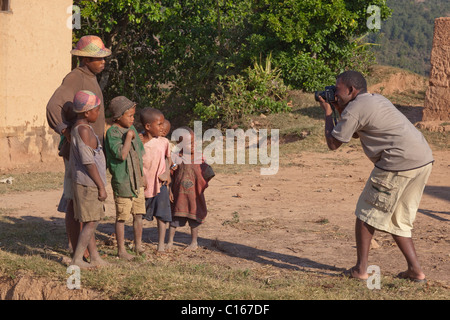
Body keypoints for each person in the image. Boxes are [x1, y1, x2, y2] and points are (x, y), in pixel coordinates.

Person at [317, 70, 434, 283]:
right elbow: (352, 131)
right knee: (399, 220)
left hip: (397, 163)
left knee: (365, 214)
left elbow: (333, 143)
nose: (335, 91)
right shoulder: (376, 99)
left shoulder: (354, 109)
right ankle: (416, 272)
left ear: (351, 90)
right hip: (422, 160)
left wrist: (327, 112)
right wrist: (338, 108)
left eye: (338, 88)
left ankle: (361, 270)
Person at [46, 35, 111, 258]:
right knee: (76, 201)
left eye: (103, 58)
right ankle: (77, 249)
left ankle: (85, 250)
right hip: (80, 154)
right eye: (97, 58)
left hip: (89, 152)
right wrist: (66, 131)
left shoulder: (90, 77)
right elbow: (53, 106)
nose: (102, 62)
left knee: (82, 201)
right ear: (84, 60)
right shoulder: (75, 77)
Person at [69, 90, 109, 269]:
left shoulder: (82, 128)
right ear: (87, 112)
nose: (98, 113)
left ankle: (94, 257)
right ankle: (77, 259)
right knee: (91, 222)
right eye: (96, 110)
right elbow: (88, 162)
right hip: (88, 183)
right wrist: (101, 185)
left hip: (87, 182)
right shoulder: (83, 130)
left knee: (90, 220)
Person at [105, 96, 146, 260]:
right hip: (123, 181)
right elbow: (122, 155)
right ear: (117, 117)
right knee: (122, 217)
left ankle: (138, 245)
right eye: (129, 116)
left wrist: (144, 177)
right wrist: (128, 137)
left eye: (133, 115)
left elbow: (139, 154)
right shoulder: (112, 133)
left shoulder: (132, 129)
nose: (132, 119)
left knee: (138, 215)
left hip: (137, 180)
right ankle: (121, 250)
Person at [167, 127, 214, 251]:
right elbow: (171, 175)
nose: (194, 145)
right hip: (179, 195)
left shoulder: (200, 157)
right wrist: (170, 190)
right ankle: (170, 241)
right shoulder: (176, 158)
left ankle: (194, 242)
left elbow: (206, 173)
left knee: (194, 219)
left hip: (194, 195)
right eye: (190, 143)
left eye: (195, 141)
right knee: (174, 219)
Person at [140, 108, 172, 252]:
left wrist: (167, 173)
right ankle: (137, 242)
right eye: (159, 125)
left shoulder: (164, 142)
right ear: (148, 127)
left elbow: (168, 158)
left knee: (162, 215)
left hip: (160, 184)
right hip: (144, 184)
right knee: (139, 215)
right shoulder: (139, 141)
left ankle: (160, 244)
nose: (162, 128)